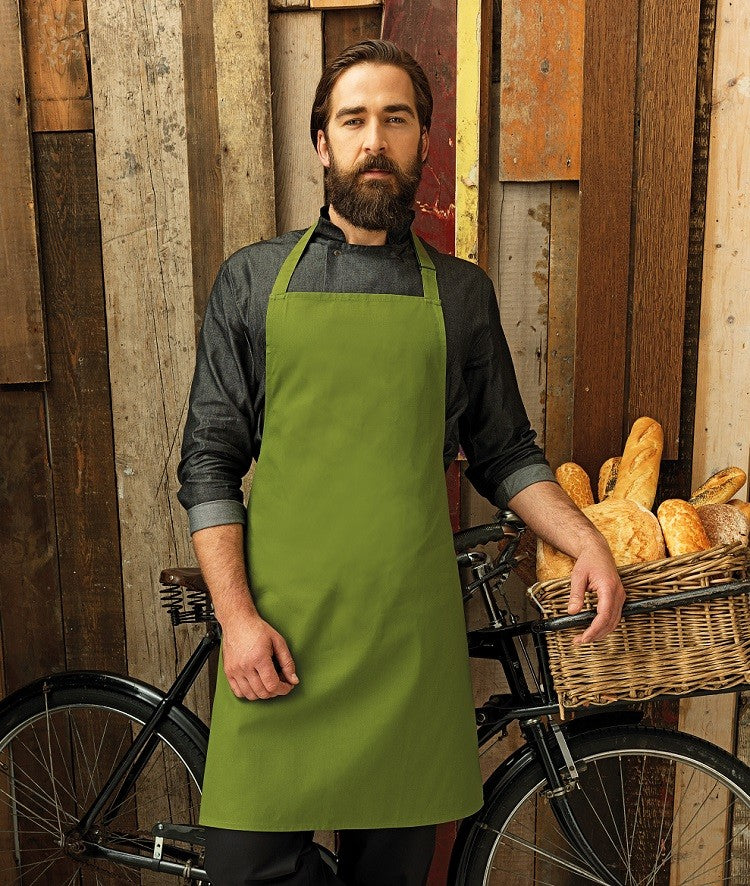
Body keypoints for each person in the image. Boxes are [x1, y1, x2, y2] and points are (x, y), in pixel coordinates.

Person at [177, 39, 625, 886]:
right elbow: (208, 463)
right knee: (244, 868)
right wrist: (237, 618)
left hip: (407, 645)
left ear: (424, 140)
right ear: (323, 144)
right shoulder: (252, 282)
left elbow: (505, 451)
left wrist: (588, 541)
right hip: (278, 635)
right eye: (353, 120)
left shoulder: (460, 294)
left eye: (396, 118)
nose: (374, 139)